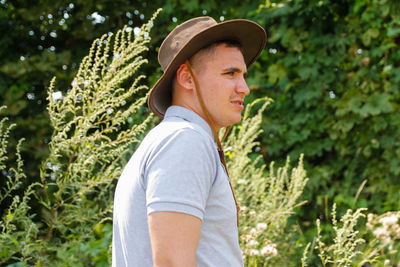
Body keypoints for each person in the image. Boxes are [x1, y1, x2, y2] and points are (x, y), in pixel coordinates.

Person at [112, 16, 267, 267]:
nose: (244, 88)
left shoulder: (172, 138)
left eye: (243, 75)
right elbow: (172, 262)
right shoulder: (185, 140)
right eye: (230, 74)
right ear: (186, 77)